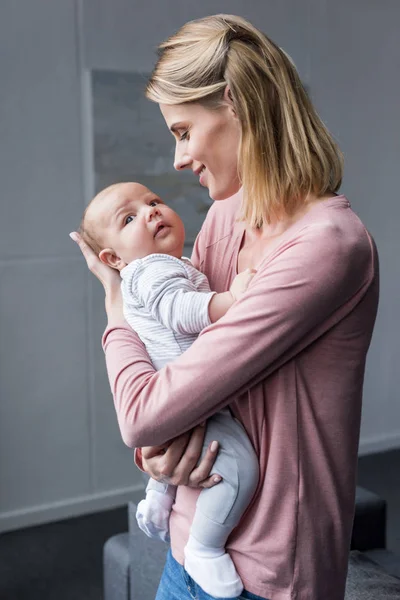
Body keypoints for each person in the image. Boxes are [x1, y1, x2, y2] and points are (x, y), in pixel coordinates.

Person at [70, 13, 379, 600]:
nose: (180, 158)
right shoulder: (224, 215)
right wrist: (154, 456)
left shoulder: (325, 248)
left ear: (236, 104)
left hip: (268, 573)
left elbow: (142, 410)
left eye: (184, 130)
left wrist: (113, 304)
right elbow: (173, 365)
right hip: (188, 542)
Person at [77, 180, 259, 597]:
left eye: (153, 201)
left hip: (178, 399)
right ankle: (206, 547)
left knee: (186, 453)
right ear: (112, 258)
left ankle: (158, 497)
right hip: (191, 401)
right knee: (239, 467)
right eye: (129, 218)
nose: (151, 212)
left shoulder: (163, 265)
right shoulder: (153, 269)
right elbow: (181, 312)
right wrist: (230, 299)